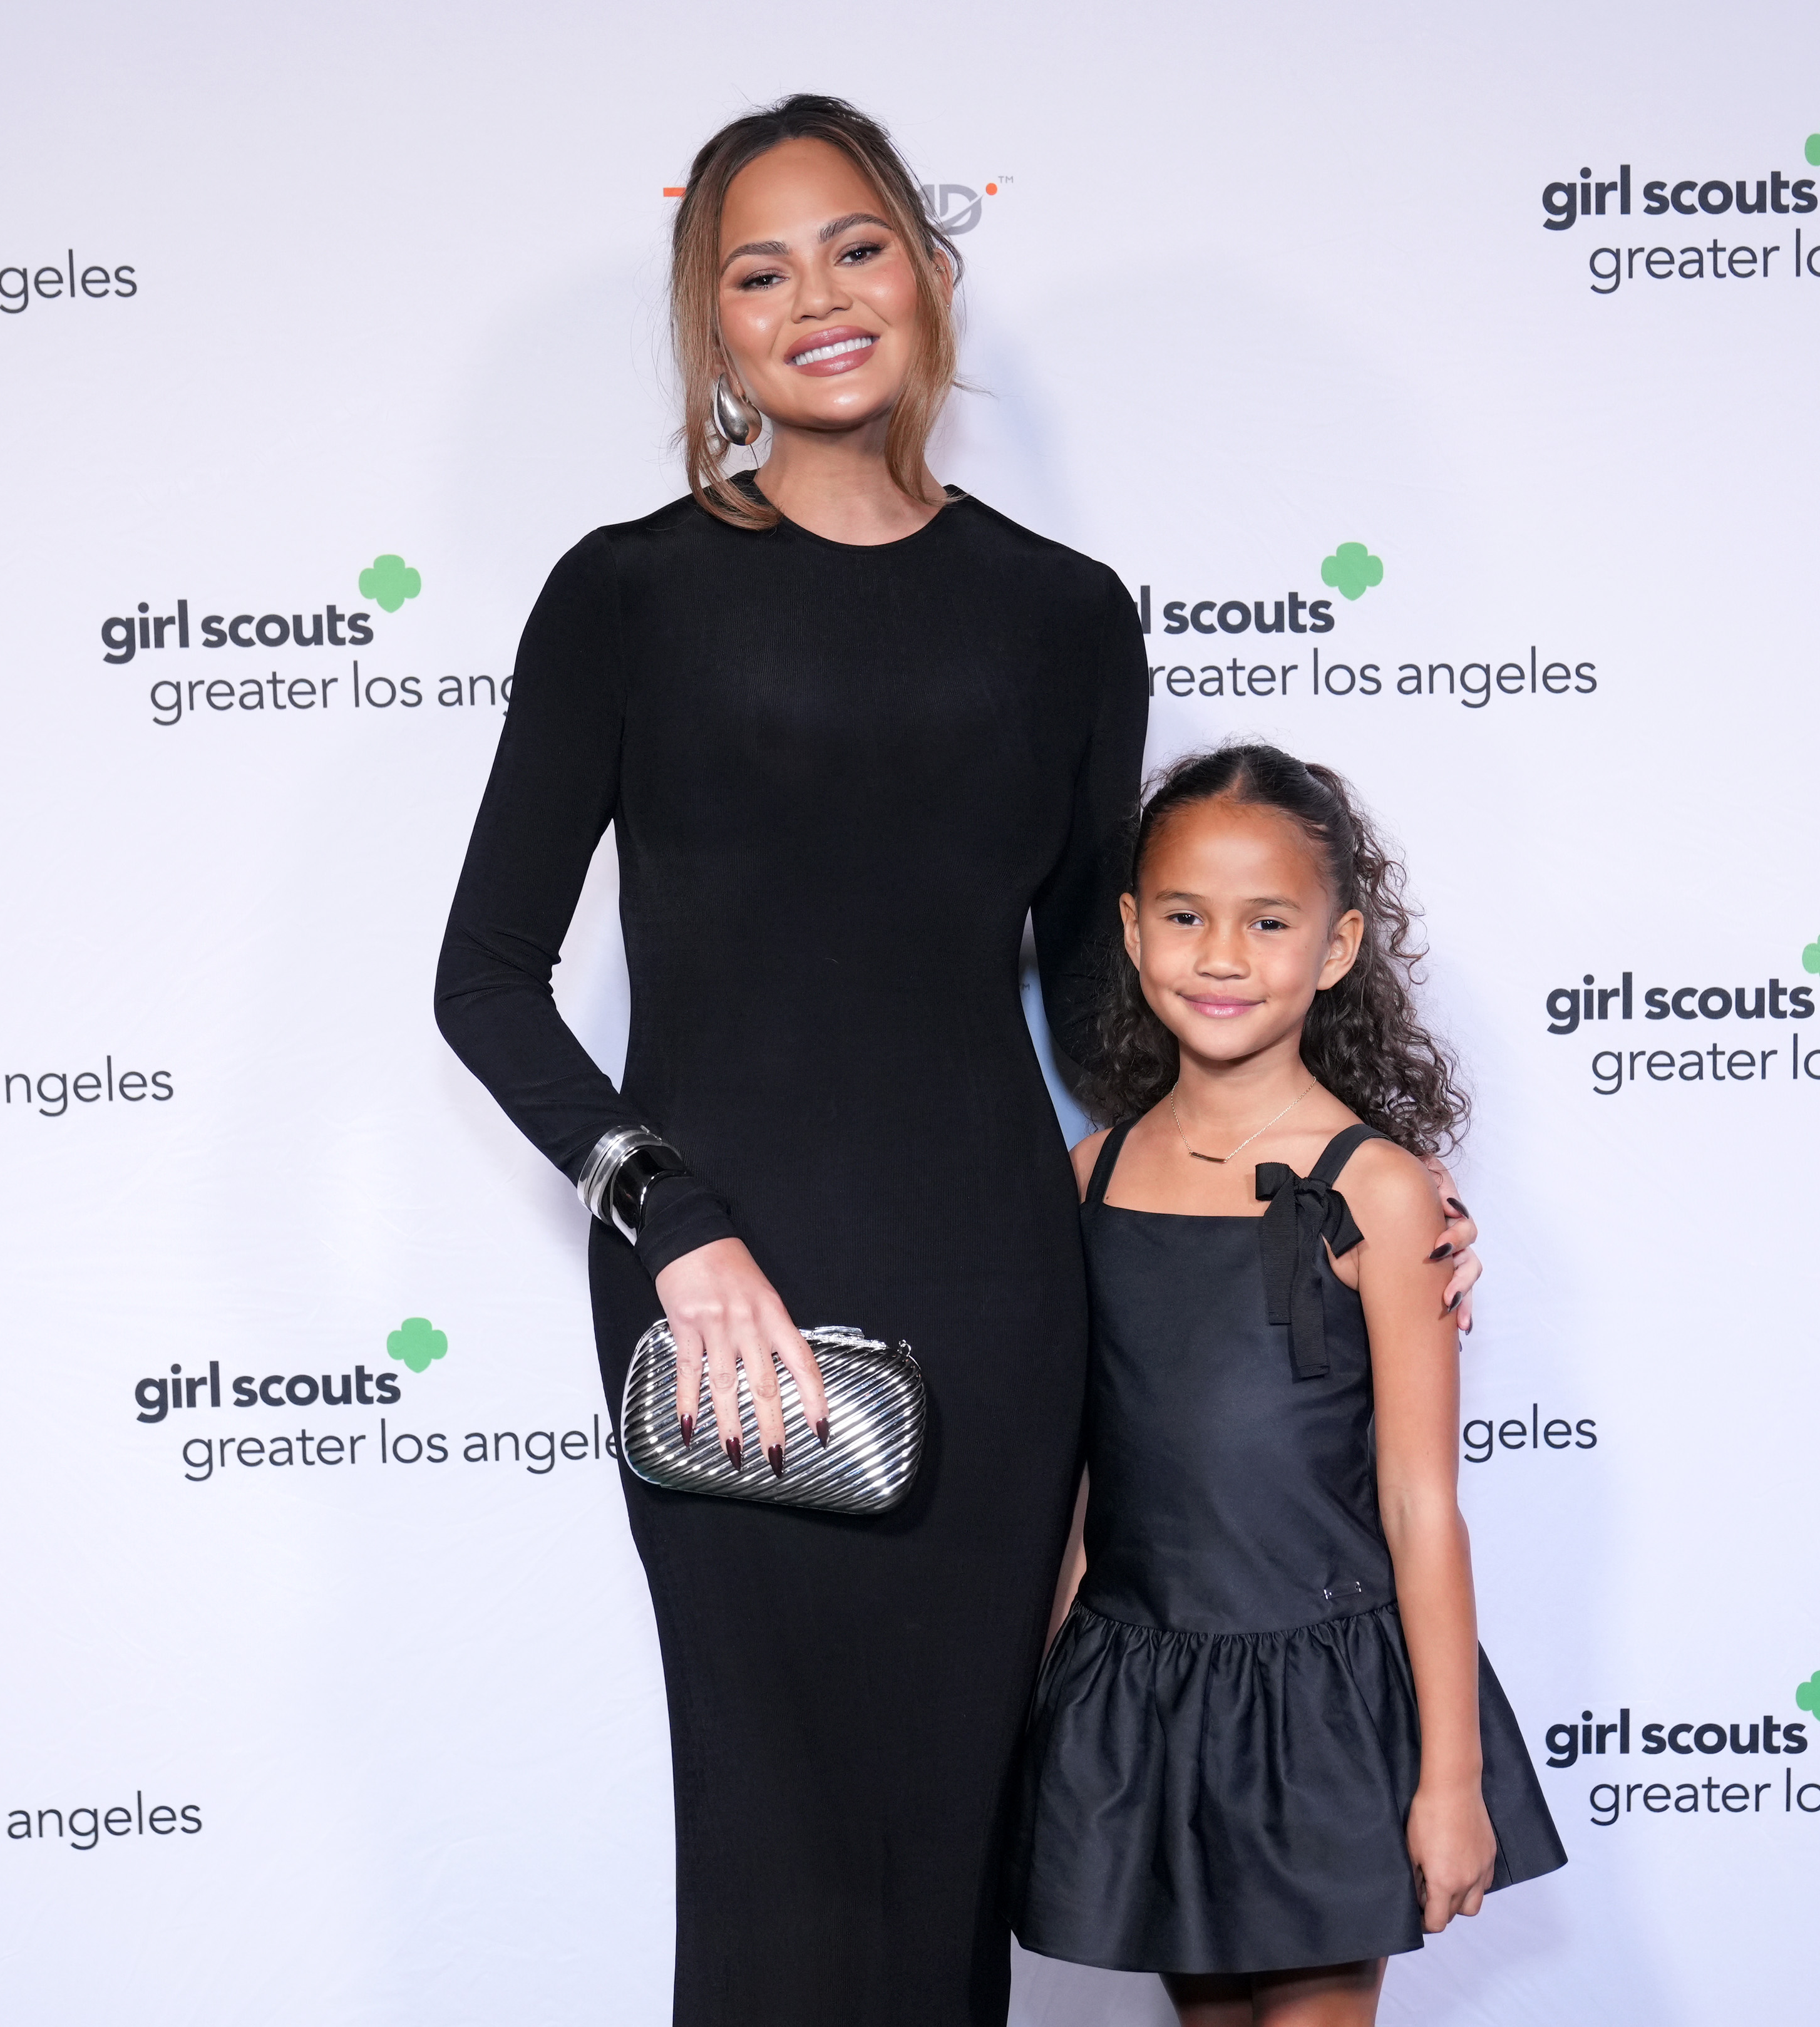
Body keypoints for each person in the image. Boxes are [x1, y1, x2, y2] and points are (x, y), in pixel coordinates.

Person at [434, 96, 1482, 2027]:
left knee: (943, 1841)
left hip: (1002, 1297)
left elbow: (1121, 1017)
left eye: (855, 247)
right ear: (714, 328)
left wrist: (1356, 1180)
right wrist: (674, 1219)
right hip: (719, 1312)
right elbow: (487, 978)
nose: (815, 298)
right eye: (758, 271)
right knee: (773, 1836)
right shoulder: (627, 595)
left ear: (925, 269)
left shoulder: (1063, 615)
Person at [1014, 745, 1563, 2027]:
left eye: (1267, 922)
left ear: (1334, 945)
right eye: (1188, 917)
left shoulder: (1380, 1189)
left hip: (1324, 1708)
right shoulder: (1086, 1178)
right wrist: (1049, 1711)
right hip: (1145, 1694)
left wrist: (1449, 1777)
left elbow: (1422, 1502)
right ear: (1133, 929)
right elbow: (1086, 1479)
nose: (1221, 955)